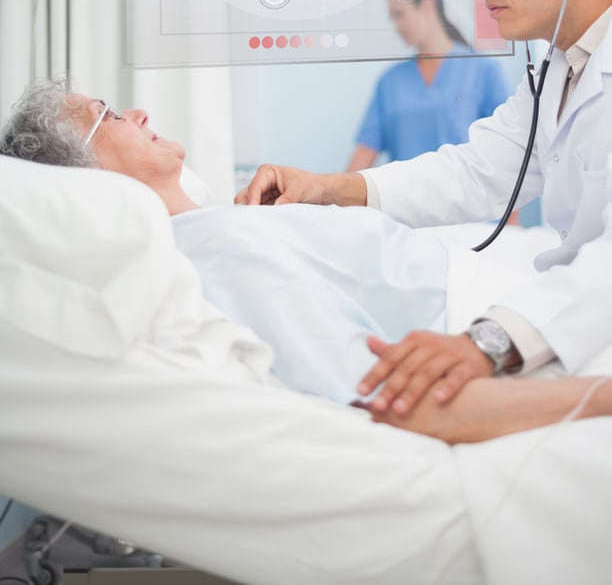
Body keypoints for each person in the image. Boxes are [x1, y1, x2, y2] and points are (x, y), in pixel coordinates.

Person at [0, 77, 611, 447]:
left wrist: (324, 189)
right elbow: (404, 405)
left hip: (537, 298)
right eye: (108, 115)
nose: (140, 114)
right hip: (523, 335)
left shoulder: (230, 225)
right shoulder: (213, 257)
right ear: (87, 176)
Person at [235, 0, 612, 419]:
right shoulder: (558, 66)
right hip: (572, 320)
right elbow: (478, 170)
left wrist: (490, 342)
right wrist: (330, 187)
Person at [348, 0, 511, 171]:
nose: (397, 26)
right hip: (404, 198)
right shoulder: (390, 82)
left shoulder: (482, 69)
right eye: (393, 19)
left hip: (466, 197)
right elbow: (365, 152)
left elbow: (506, 148)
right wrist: (331, 195)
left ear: (427, 6)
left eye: (400, 15)